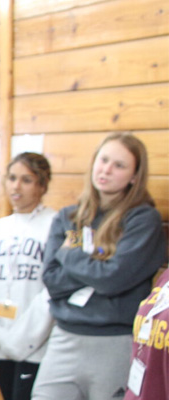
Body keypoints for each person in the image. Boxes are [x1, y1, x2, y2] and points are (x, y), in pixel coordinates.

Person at [32, 133, 166, 399]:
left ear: (134, 177)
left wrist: (70, 256)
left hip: (114, 344)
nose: (106, 169)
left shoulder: (143, 220)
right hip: (64, 339)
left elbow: (114, 279)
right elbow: (51, 279)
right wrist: (100, 266)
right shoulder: (68, 217)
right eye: (103, 160)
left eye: (119, 165)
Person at [0, 152, 58, 400]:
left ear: (42, 185)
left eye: (26, 180)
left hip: (36, 347)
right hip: (0, 344)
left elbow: (53, 290)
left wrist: (21, 339)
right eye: (12, 178)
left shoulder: (55, 225)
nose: (16, 186)